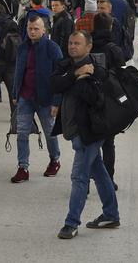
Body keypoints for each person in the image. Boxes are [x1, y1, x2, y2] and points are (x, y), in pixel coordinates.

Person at [51, 31, 120, 239]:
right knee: (98, 169)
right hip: (74, 130)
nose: (72, 46)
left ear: (88, 47)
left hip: (90, 132)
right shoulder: (66, 66)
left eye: (77, 43)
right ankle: (111, 214)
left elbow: (96, 100)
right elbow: (54, 84)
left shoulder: (97, 71)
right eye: (70, 43)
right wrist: (75, 74)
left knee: (79, 176)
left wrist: (82, 79)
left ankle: (71, 223)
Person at [10, 16, 63, 183]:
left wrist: (57, 101)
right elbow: (19, 71)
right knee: (22, 133)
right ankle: (23, 167)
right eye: (30, 28)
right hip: (25, 97)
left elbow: (59, 75)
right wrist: (14, 93)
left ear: (44, 30)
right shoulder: (23, 47)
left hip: (45, 99)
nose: (32, 31)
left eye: (36, 29)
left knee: (50, 132)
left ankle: (55, 159)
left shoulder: (52, 48)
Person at [91, 12, 126, 191]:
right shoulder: (114, 49)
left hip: (88, 98)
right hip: (108, 101)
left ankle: (86, 181)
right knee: (108, 143)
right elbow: (122, 76)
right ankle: (108, 180)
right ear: (110, 27)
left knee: (89, 143)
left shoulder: (86, 44)